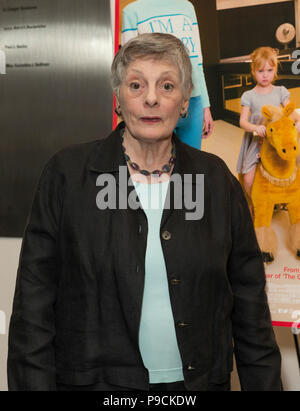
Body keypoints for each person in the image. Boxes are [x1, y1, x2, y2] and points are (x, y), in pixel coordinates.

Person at [7, 33, 281, 391]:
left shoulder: (216, 181)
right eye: (136, 85)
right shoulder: (67, 176)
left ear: (185, 102)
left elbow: (250, 310)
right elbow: (33, 311)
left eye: (167, 86)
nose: (151, 98)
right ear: (117, 98)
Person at [121, 0, 214, 150]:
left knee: (191, 166)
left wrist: (206, 106)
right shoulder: (132, 11)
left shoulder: (187, 7)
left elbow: (197, 62)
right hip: (154, 103)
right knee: (156, 167)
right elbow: (129, 69)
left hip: (193, 102)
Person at [237, 46, 300, 198]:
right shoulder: (249, 95)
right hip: (257, 140)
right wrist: (256, 127)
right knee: (248, 177)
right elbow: (242, 122)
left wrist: (296, 125)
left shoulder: (280, 91)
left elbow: (293, 115)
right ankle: (253, 204)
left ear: (275, 70)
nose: (265, 75)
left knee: (293, 163)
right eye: (260, 71)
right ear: (253, 71)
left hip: (277, 140)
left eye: (269, 70)